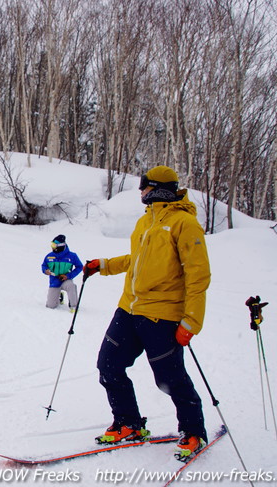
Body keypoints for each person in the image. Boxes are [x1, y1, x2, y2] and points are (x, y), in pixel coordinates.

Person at [82, 165, 211, 462]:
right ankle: (129, 423)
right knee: (108, 366)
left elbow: (198, 275)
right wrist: (103, 265)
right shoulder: (145, 222)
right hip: (129, 309)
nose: (141, 191)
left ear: (158, 188)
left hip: (162, 315)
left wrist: (191, 321)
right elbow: (136, 260)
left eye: (145, 186)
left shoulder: (184, 224)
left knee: (170, 378)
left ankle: (193, 431)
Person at [41, 234, 83, 311]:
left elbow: (80, 267)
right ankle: (59, 297)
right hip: (54, 282)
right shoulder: (49, 256)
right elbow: (44, 265)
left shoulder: (72, 256)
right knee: (50, 306)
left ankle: (73, 306)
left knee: (71, 286)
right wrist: (45, 270)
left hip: (66, 280)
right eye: (51, 244)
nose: (52, 247)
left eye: (54, 245)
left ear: (60, 245)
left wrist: (68, 276)